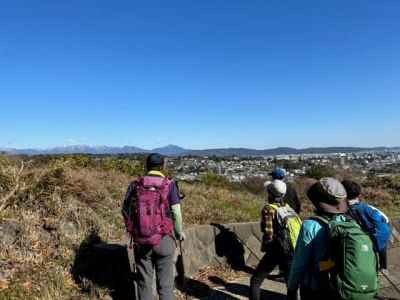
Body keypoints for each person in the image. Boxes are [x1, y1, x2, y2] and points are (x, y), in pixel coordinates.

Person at [287, 178, 379, 300]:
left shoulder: (310, 226)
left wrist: (291, 288)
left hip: (316, 288)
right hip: (342, 287)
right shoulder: (351, 223)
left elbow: (299, 263)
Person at [122, 153, 185, 300]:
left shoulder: (135, 185)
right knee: (166, 285)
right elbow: (176, 212)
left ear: (147, 166)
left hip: (142, 241)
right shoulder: (169, 184)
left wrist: (133, 231)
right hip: (164, 239)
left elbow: (125, 210)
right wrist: (178, 233)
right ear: (162, 166)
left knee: (144, 283)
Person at [250, 180, 301, 300]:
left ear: (270, 194)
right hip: (292, 250)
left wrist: (266, 247)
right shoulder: (288, 208)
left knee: (256, 280)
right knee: (291, 285)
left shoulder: (269, 209)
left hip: (277, 250)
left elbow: (269, 233)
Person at [341, 179, 391, 272]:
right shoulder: (359, 206)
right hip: (382, 226)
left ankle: (381, 268)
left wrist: (376, 242)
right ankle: (383, 267)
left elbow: (379, 225)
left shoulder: (356, 208)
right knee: (378, 248)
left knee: (375, 249)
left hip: (380, 229)